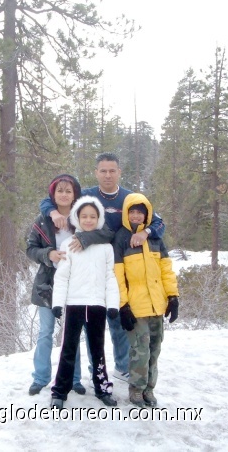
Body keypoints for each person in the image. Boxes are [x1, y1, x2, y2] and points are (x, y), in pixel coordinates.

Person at [40, 152, 166, 382]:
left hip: (120, 265)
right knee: (87, 326)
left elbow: (157, 221)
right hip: (87, 264)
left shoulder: (129, 198)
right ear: (96, 172)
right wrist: (53, 212)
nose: (108, 175)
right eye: (103, 171)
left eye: (112, 170)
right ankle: (84, 373)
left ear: (119, 172)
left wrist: (146, 232)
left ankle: (122, 365)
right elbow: (50, 199)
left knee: (118, 318)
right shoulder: (86, 195)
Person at [50, 196, 120, 409]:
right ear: (77, 218)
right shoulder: (68, 245)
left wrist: (113, 304)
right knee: (68, 349)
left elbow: (110, 277)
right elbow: (62, 277)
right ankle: (60, 392)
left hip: (97, 305)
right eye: (84, 216)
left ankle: (102, 389)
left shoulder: (106, 247)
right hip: (74, 305)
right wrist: (57, 304)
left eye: (92, 216)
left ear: (98, 219)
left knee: (97, 348)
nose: (88, 220)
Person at [112, 193, 180, 407]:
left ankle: (149, 389)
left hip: (156, 305)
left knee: (154, 349)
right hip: (135, 307)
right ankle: (136, 390)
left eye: (139, 212)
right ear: (126, 213)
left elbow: (166, 270)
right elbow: (117, 276)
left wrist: (173, 296)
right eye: (131, 211)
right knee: (139, 351)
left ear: (146, 214)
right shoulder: (121, 239)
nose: (135, 216)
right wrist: (123, 305)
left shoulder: (155, 239)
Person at [26, 174, 88, 396]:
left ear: (75, 195)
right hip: (47, 284)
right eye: (60, 190)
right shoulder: (43, 220)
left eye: (68, 191)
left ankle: (75, 378)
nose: (64, 194)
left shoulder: (82, 218)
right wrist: (48, 253)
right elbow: (30, 248)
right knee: (45, 332)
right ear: (53, 194)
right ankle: (41, 377)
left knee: (72, 332)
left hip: (75, 283)